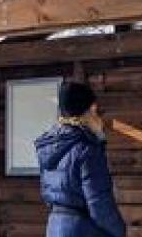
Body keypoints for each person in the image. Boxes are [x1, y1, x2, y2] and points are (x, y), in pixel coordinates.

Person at [34, 81, 126, 237]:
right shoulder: (86, 149)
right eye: (96, 111)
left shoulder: (50, 147)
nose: (99, 119)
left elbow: (48, 193)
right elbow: (99, 202)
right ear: (89, 111)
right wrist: (118, 231)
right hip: (81, 229)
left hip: (55, 227)